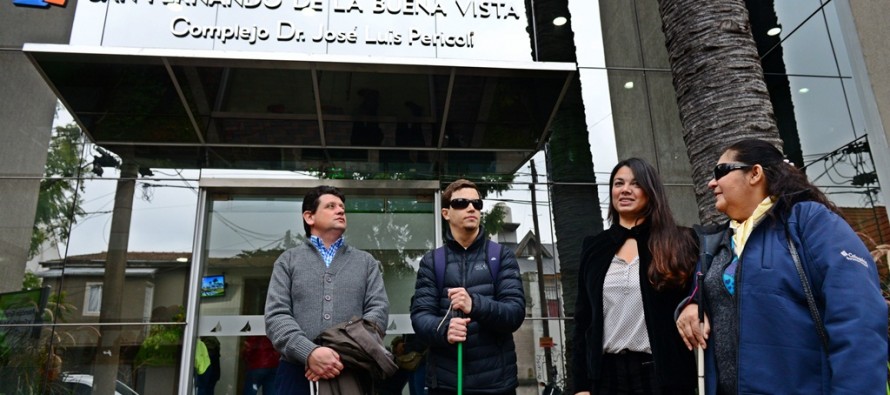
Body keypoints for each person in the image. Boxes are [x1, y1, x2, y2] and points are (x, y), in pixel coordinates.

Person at [675, 139, 888, 394]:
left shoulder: (809, 221)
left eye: (720, 172)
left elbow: (858, 316)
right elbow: (713, 297)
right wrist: (691, 305)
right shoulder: (719, 241)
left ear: (755, 173)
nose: (711, 183)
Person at [572, 158, 697, 395]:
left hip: (663, 377)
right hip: (606, 378)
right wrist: (580, 386)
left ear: (651, 192)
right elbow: (583, 322)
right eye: (618, 183)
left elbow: (701, 292)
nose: (625, 189)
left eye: (635, 183)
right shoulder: (593, 248)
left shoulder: (681, 241)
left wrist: (695, 303)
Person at [265, 185, 389, 395]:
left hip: (351, 371)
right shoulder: (288, 261)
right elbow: (276, 316)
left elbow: (378, 313)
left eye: (341, 207)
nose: (340, 211)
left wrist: (338, 354)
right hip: (296, 374)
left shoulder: (366, 262)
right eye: (331, 206)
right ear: (309, 217)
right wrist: (309, 353)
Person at [410, 179, 526, 395]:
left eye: (477, 203)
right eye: (461, 203)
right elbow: (420, 317)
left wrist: (475, 304)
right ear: (446, 213)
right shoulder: (433, 261)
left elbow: (515, 314)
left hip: (496, 385)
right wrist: (445, 330)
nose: (471, 207)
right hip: (446, 384)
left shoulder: (500, 256)